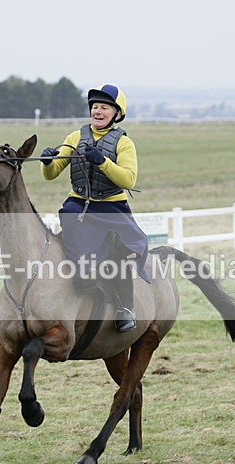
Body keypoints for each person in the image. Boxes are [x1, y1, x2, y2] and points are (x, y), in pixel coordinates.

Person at [39, 84, 148, 333]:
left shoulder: (124, 143)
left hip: (112, 209)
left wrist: (102, 162)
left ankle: (125, 308)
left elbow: (128, 180)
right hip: (78, 208)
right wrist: (47, 162)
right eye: (95, 107)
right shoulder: (75, 137)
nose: (97, 111)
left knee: (121, 253)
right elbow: (51, 174)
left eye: (104, 107)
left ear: (117, 114)